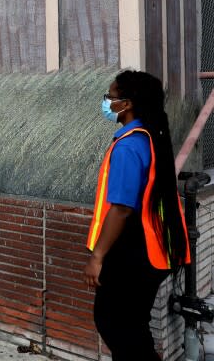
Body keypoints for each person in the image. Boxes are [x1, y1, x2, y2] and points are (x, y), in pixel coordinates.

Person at [83, 70, 190, 360]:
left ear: (127, 104)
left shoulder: (129, 146)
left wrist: (97, 257)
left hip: (133, 254)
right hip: (150, 252)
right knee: (130, 329)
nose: (106, 102)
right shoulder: (149, 137)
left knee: (115, 326)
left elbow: (121, 208)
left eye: (111, 97)